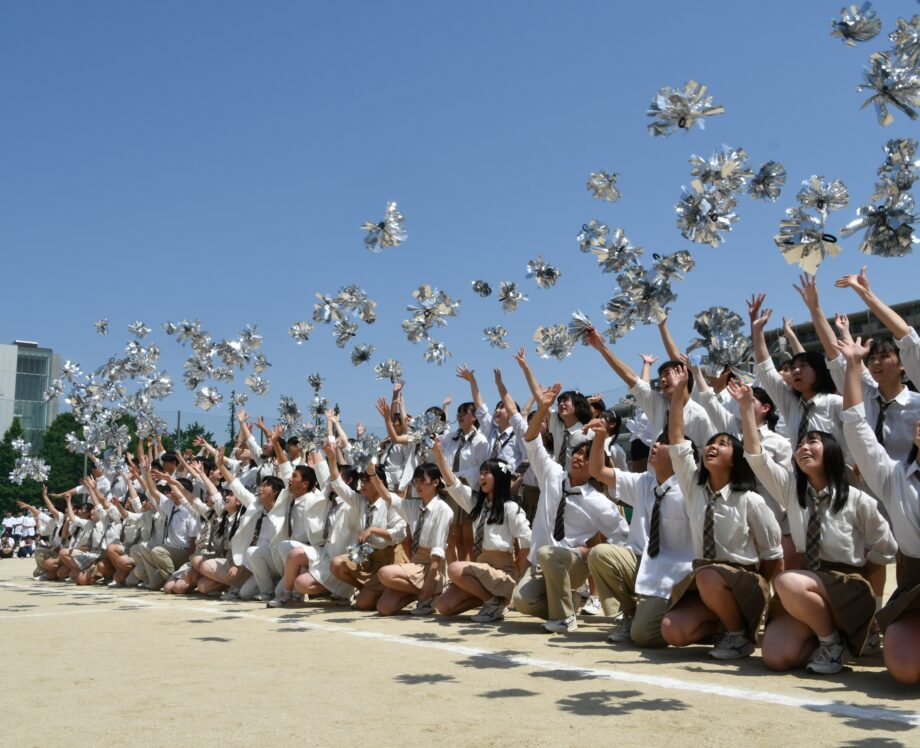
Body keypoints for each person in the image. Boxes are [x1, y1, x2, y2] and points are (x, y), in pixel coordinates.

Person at [736, 375, 896, 674]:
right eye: (801, 444)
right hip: (808, 589)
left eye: (814, 441)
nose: (804, 447)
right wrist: (746, 408)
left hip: (846, 584)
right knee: (776, 655)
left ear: (833, 453)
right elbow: (756, 457)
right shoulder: (791, 491)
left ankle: (833, 644)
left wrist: (868, 596)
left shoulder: (858, 500)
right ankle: (833, 637)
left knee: (786, 580)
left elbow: (886, 548)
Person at [661, 364, 783, 660]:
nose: (711, 447)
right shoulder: (694, 488)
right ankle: (724, 625)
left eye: (723, 444)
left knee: (708, 576)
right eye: (710, 443)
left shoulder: (750, 500)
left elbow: (773, 557)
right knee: (671, 630)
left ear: (735, 460)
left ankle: (739, 635)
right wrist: (678, 395)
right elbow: (677, 439)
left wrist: (762, 596)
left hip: (743, 580)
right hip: (708, 580)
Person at [510, 381, 628, 634]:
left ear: (594, 465)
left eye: (585, 457)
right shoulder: (552, 474)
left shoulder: (596, 500)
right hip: (543, 564)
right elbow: (530, 439)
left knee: (551, 554)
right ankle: (569, 603)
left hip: (573, 566)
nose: (577, 457)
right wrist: (542, 408)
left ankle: (564, 618)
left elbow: (623, 535)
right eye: (576, 453)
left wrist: (591, 553)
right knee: (522, 600)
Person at [839, 337, 920, 684]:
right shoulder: (895, 478)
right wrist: (854, 369)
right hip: (916, 579)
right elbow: (857, 430)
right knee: (904, 665)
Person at [585, 420, 696, 647]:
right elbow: (597, 471)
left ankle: (696, 619)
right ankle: (630, 613)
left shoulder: (691, 491)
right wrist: (600, 438)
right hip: (640, 562)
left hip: (672, 576)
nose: (655, 445)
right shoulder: (644, 482)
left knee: (644, 636)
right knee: (600, 554)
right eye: (656, 441)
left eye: (664, 443)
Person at [430, 436, 531, 622]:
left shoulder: (511, 508)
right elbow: (454, 484)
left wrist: (516, 571)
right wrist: (438, 455)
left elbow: (527, 542)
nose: (481, 477)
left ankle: (494, 601)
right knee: (443, 607)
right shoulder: (478, 504)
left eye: (487, 473)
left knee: (454, 568)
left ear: (499, 478)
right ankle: (492, 601)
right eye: (481, 473)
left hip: (502, 571)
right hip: (482, 568)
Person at [329, 459, 409, 612]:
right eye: (361, 481)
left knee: (363, 605)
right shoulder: (361, 501)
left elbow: (400, 533)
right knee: (336, 564)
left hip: (389, 556)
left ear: (380, 483)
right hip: (366, 554)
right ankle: (365, 589)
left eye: (367, 481)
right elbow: (339, 485)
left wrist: (373, 530)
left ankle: (399, 591)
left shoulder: (390, 502)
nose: (362, 485)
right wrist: (331, 458)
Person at [375, 461, 453, 616]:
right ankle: (422, 596)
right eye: (416, 481)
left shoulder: (443, 509)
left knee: (384, 573)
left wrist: (430, 582)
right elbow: (389, 497)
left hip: (432, 566)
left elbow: (438, 550)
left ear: (436, 482)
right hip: (416, 562)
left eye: (422, 480)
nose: (418, 485)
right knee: (384, 608)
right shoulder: (413, 505)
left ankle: (433, 590)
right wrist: (372, 474)